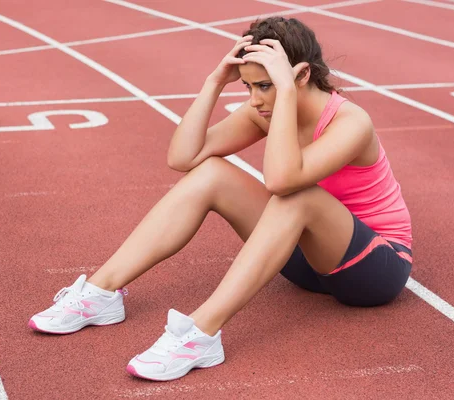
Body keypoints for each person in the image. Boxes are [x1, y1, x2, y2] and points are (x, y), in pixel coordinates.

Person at [28, 16, 413, 382]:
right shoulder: (264, 110)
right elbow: (183, 158)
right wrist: (213, 83)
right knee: (210, 173)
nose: (255, 99)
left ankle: (200, 334)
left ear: (302, 75)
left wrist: (283, 97)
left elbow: (282, 180)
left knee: (296, 196)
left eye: (265, 85)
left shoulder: (351, 122)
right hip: (305, 261)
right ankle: (101, 293)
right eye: (248, 87)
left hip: (373, 269)